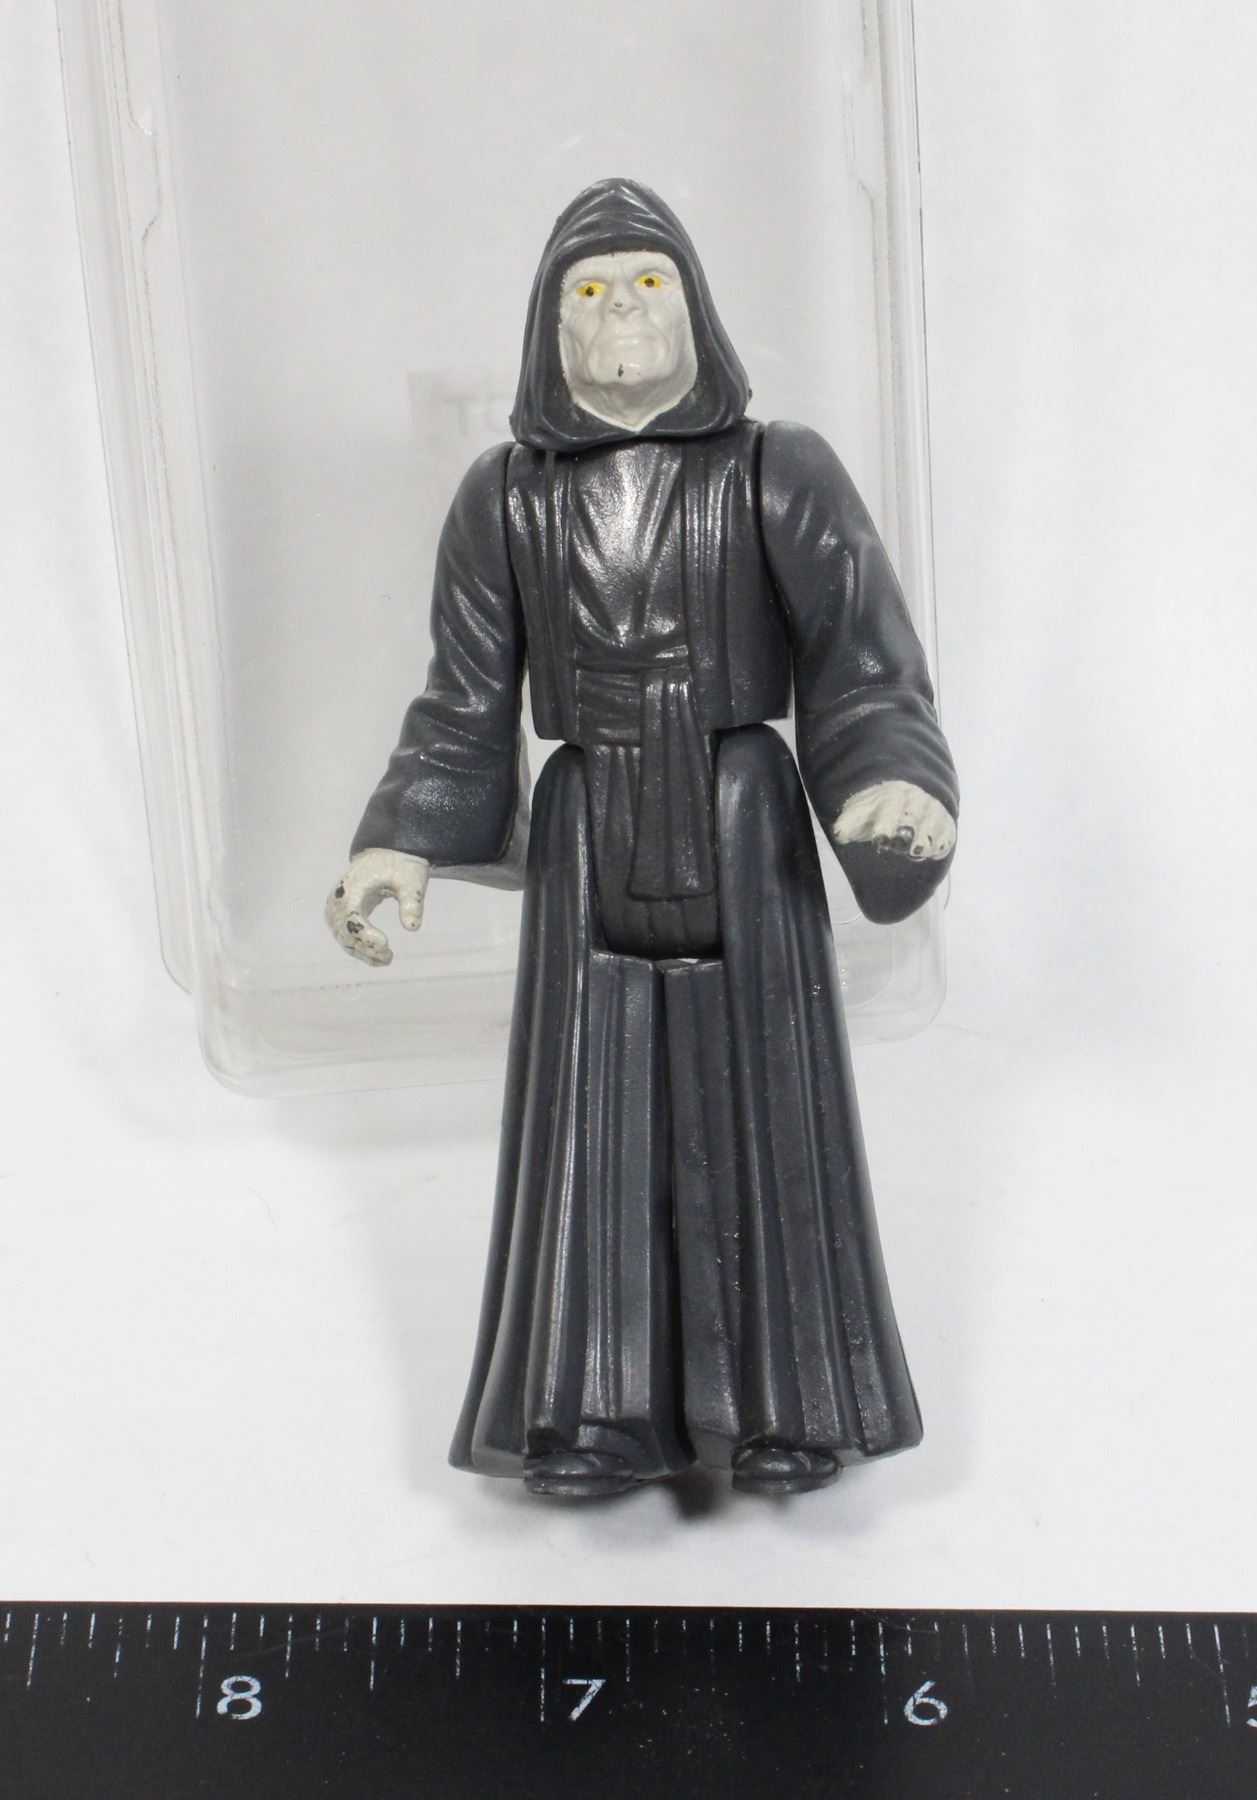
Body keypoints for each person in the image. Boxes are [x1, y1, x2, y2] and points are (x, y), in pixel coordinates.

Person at [327, 179, 958, 1498]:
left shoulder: (778, 469)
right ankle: (592, 1413)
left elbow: (859, 655)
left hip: (741, 813)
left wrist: (891, 784)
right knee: (588, 1117)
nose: (621, 311)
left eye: (647, 281)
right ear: (549, 325)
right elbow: (462, 697)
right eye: (591, 289)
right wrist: (398, 838)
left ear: (695, 305)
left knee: (772, 1101)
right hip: (586, 824)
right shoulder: (505, 499)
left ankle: (793, 1406)